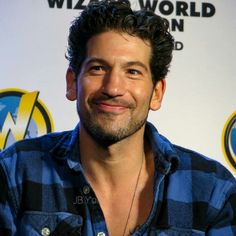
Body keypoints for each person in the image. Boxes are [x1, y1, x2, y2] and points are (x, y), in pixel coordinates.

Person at [0, 0, 236, 235]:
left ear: (157, 92)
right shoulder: (15, 171)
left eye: (133, 72)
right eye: (98, 68)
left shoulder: (213, 191)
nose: (113, 88)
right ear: (72, 83)